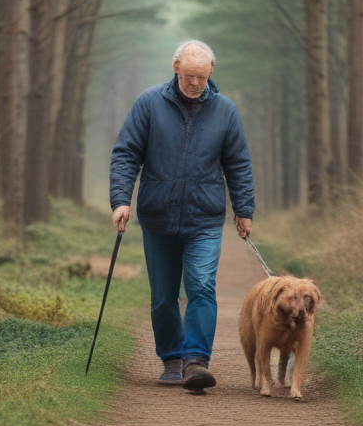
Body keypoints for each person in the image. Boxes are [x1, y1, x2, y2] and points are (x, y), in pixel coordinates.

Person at [109, 40, 255, 391]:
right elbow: (126, 153)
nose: (194, 83)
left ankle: (196, 362)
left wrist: (244, 210)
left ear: (211, 73)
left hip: (204, 217)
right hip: (158, 215)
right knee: (163, 295)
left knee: (202, 287)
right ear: (176, 68)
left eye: (201, 77)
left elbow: (238, 164)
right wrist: (121, 200)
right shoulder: (149, 103)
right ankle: (171, 359)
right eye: (189, 75)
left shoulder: (225, 111)